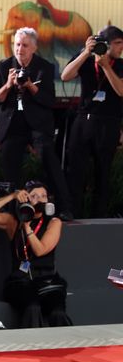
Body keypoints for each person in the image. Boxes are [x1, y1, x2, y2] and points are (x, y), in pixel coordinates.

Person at [0, 27, 73, 219]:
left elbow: (49, 100)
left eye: (25, 45)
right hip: (13, 124)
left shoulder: (44, 67)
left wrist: (29, 86)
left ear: (34, 47)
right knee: (9, 164)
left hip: (37, 124)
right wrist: (8, 85)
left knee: (49, 159)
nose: (20, 49)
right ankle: (10, 211)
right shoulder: (4, 66)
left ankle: (65, 207)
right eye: (17, 44)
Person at [0, 181, 70, 327]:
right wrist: (12, 196)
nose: (41, 199)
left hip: (47, 280)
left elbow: (40, 250)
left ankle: (64, 347)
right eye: (35, 196)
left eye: (44, 196)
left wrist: (27, 227)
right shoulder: (14, 221)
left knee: (58, 313)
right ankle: (31, 347)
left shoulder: (54, 222)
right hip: (21, 281)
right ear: (27, 198)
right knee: (32, 308)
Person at [61, 26, 123, 218]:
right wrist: (86, 52)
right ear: (105, 43)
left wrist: (106, 66)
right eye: (118, 43)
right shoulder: (86, 60)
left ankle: (100, 217)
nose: (121, 47)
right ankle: (73, 213)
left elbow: (121, 91)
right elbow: (65, 76)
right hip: (83, 120)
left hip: (109, 122)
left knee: (102, 172)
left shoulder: (120, 65)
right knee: (76, 171)